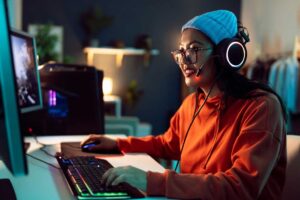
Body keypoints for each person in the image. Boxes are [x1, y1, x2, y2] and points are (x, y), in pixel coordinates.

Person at [81, 10, 287, 199]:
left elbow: (240, 187)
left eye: (194, 49)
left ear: (226, 54)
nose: (184, 60)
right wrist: (118, 144)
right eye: (181, 51)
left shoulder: (261, 107)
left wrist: (150, 180)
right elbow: (167, 144)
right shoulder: (192, 104)